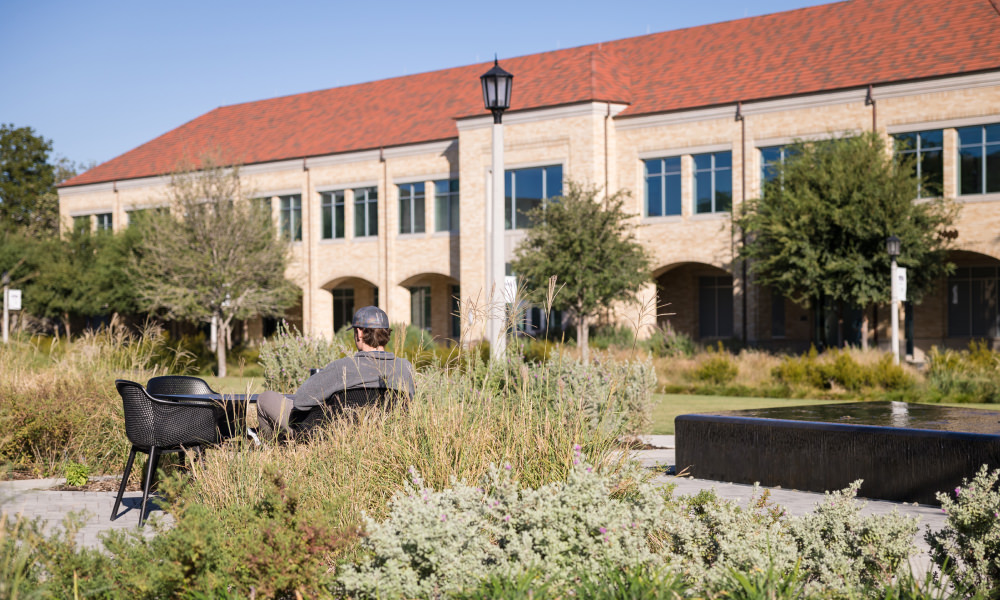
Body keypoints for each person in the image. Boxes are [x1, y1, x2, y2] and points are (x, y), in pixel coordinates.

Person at [256, 306, 415, 439]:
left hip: (326, 437)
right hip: (382, 438)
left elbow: (301, 401)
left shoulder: (343, 367)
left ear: (359, 333)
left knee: (265, 398)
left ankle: (275, 449)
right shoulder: (405, 368)